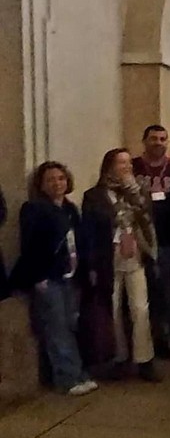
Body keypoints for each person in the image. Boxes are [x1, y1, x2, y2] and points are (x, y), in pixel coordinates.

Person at [10, 162, 97, 395]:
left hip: (69, 275)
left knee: (70, 325)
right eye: (50, 179)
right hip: (48, 277)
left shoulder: (70, 208)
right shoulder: (34, 209)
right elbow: (30, 246)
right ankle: (67, 378)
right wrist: (38, 277)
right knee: (56, 327)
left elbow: (80, 241)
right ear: (41, 184)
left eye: (60, 178)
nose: (57, 183)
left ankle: (77, 372)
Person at [81, 149, 161, 382]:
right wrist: (91, 265)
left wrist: (136, 197)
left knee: (140, 308)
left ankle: (144, 359)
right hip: (109, 256)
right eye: (121, 163)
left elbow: (148, 220)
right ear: (109, 166)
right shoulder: (94, 196)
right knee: (113, 308)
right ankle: (119, 357)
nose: (126, 167)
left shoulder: (138, 191)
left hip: (135, 254)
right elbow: (89, 231)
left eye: (128, 163)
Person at [132, 125, 170, 360]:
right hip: (136, 240)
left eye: (163, 139)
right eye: (153, 138)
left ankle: (161, 340)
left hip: (166, 239)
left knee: (163, 292)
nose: (158, 142)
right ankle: (138, 344)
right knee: (138, 295)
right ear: (144, 141)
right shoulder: (133, 166)